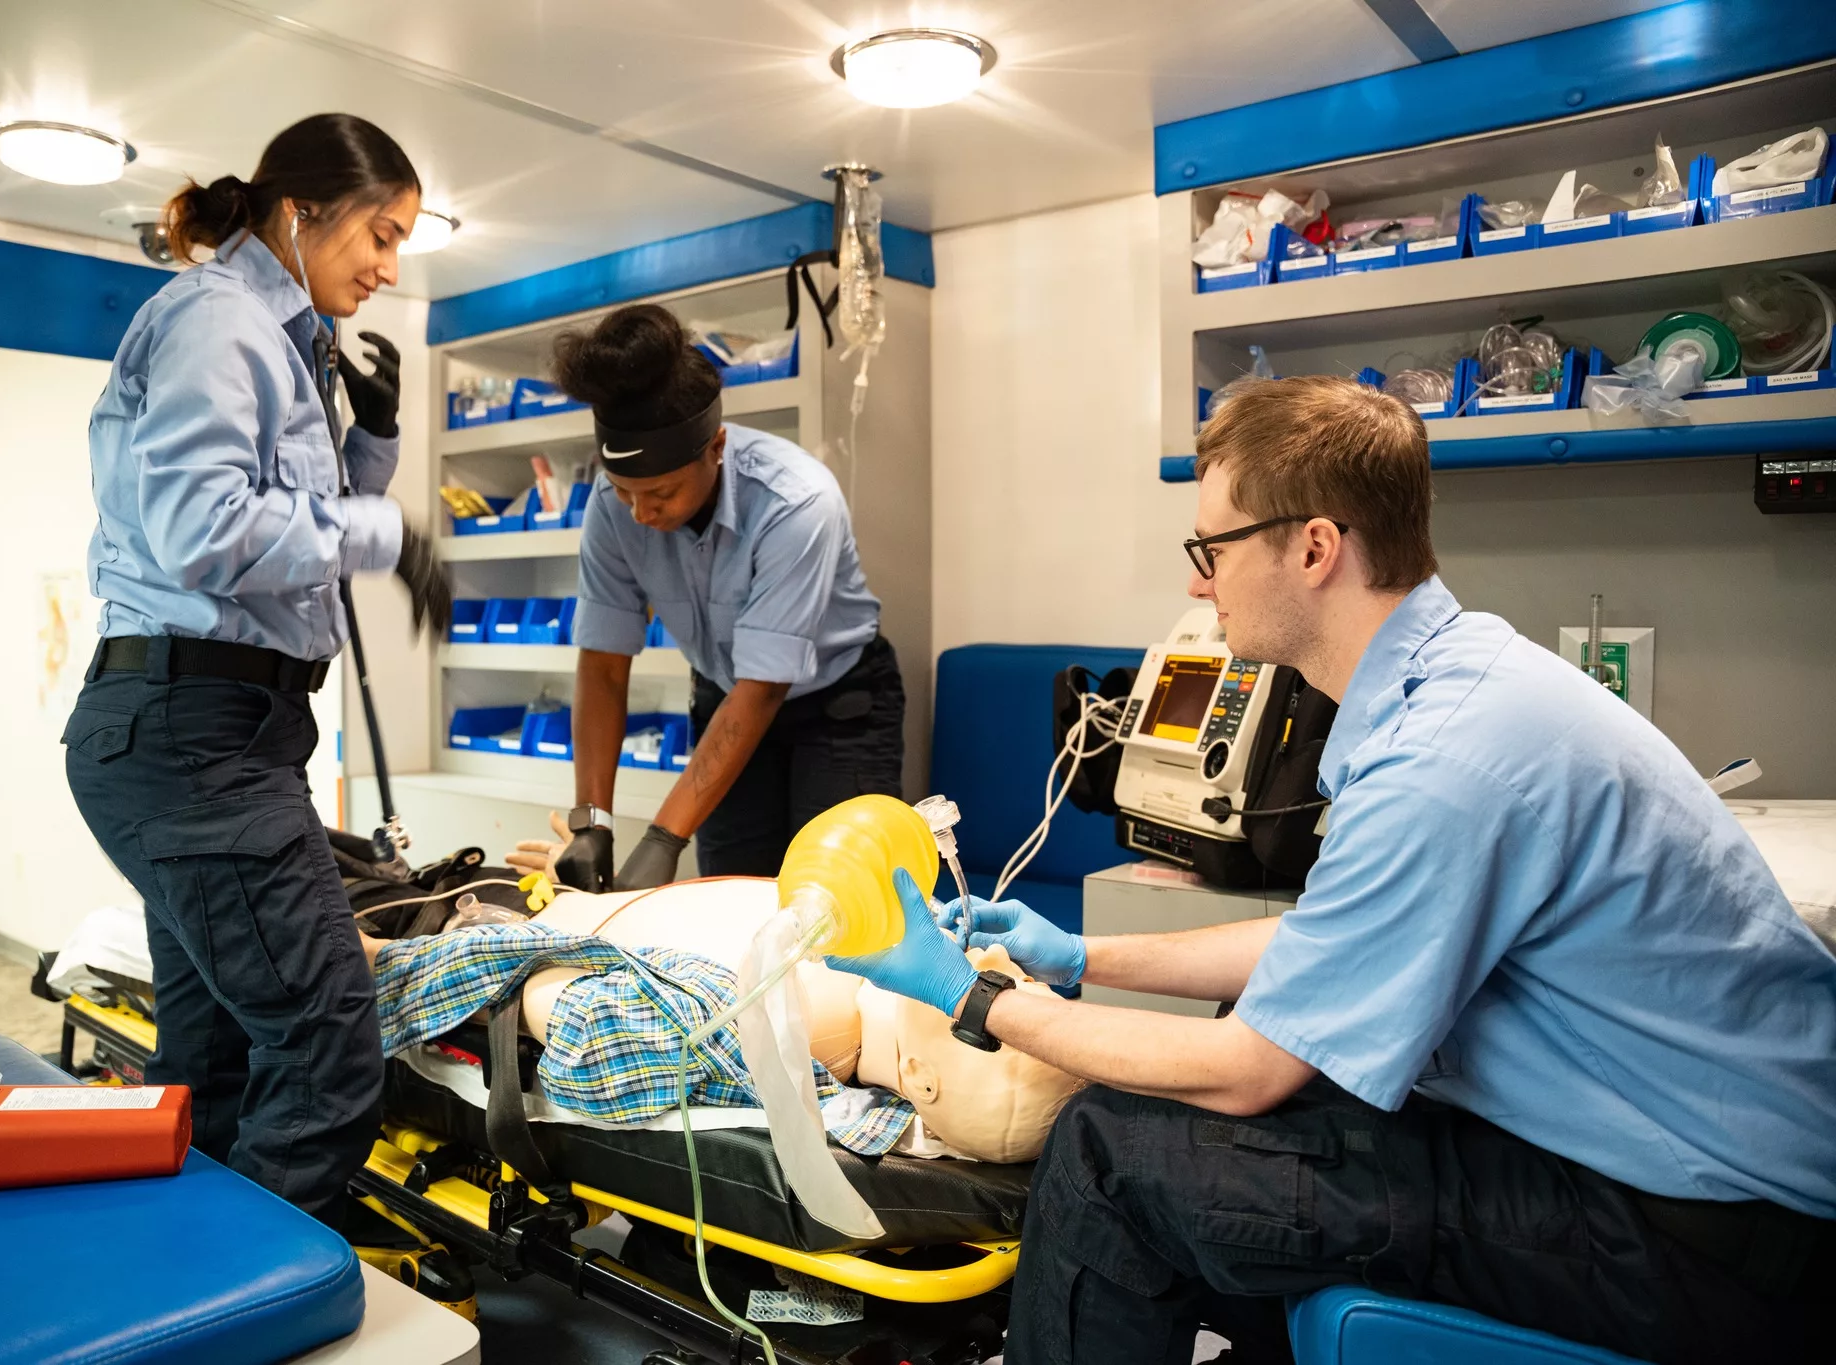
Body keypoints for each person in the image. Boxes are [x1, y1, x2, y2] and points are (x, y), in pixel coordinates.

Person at [827, 376, 1836, 1364]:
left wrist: (975, 1000)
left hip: (1706, 1238)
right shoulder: (1441, 683)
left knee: (1110, 1158)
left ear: (1312, 547)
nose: (1194, 582)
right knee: (1230, 1138)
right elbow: (1333, 943)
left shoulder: (1444, 754)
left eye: (1209, 549)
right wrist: (1084, 954)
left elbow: (1249, 1075)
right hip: (1666, 1175)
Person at [62, 113, 453, 1227]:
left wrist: (369, 438)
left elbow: (291, 501)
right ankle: (255, 1304)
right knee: (332, 1040)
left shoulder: (281, 338)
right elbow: (202, 527)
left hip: (223, 734)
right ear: (299, 213)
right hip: (193, 735)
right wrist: (387, 534)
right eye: (379, 234)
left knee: (219, 1048)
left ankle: (188, 1274)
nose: (388, 266)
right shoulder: (221, 322)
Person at [549, 304, 904, 891]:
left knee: (835, 901)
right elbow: (605, 667)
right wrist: (593, 824)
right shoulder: (612, 509)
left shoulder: (796, 502)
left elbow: (762, 689)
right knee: (730, 895)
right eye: (624, 492)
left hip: (839, 705)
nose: (640, 513)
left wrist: (664, 838)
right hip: (723, 695)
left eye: (660, 492)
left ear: (715, 447)